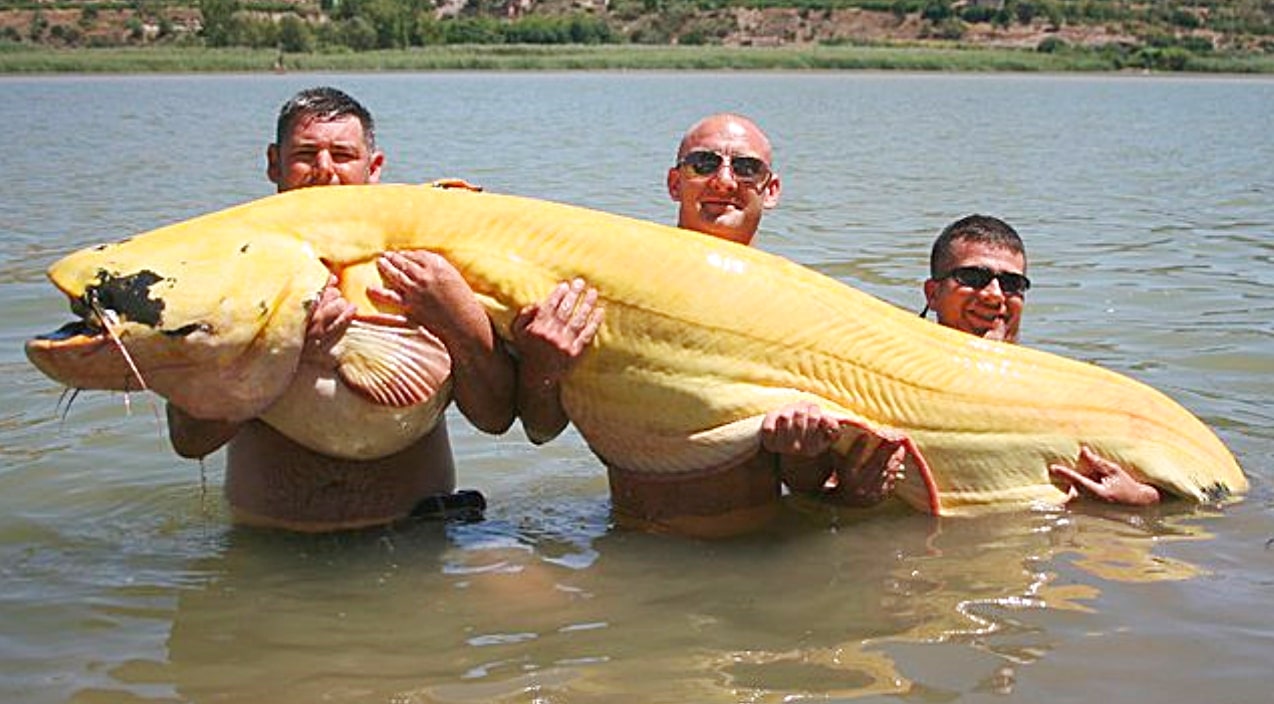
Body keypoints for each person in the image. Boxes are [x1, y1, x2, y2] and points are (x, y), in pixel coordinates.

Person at [511, 113, 900, 537]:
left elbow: (809, 484)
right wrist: (541, 366)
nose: (724, 181)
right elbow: (540, 430)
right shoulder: (619, 288)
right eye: (704, 164)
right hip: (627, 540)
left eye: (746, 168)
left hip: (751, 550)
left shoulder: (800, 309)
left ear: (770, 190)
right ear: (675, 183)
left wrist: (801, 451)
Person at [166, 87, 516, 531]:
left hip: (419, 531)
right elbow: (189, 439)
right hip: (271, 540)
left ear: (374, 168)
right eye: (306, 154)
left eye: (343, 155)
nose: (325, 170)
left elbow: (497, 416)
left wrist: (456, 318)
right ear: (274, 162)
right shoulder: (226, 269)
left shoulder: (428, 268)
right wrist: (278, 346)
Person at [920, 214, 1161, 506]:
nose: (995, 295)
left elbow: (1190, 489)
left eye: (1012, 283)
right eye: (973, 278)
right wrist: (857, 495)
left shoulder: (1065, 390)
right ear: (933, 294)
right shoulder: (890, 389)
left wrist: (1143, 500)